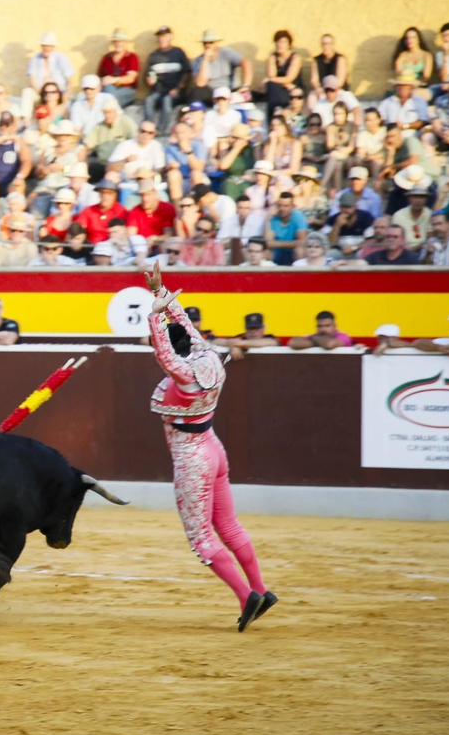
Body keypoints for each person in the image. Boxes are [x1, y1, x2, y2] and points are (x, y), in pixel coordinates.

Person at [142, 263, 274, 631]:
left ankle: (246, 596)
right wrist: (160, 293)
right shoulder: (208, 356)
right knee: (227, 524)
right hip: (213, 448)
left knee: (201, 538)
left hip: (191, 457)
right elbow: (184, 331)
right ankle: (261, 588)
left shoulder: (182, 373)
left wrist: (154, 318)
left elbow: (165, 354)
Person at [143, 26, 191, 132]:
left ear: (170, 37)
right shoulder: (153, 56)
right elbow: (148, 75)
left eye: (164, 36)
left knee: (167, 100)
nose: (161, 39)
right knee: (148, 100)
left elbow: (186, 73)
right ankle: (149, 128)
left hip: (176, 91)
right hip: (158, 91)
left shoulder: (178, 52)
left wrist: (178, 88)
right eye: (160, 36)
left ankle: (161, 130)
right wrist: (149, 80)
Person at [264, 30, 302, 124]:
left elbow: (289, 78)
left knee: (271, 83)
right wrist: (282, 82)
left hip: (294, 88)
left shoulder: (295, 57)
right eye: (278, 42)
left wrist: (271, 79)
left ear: (289, 44)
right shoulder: (273, 57)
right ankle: (273, 118)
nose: (279, 44)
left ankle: (274, 116)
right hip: (281, 88)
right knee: (271, 85)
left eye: (283, 42)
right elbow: (271, 75)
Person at [98, 29, 140, 108]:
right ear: (113, 43)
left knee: (109, 95)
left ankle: (109, 110)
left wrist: (113, 80)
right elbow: (100, 77)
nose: (118, 44)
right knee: (108, 92)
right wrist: (103, 81)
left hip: (127, 89)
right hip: (108, 90)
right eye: (116, 41)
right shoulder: (106, 58)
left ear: (125, 43)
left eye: (121, 41)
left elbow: (131, 78)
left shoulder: (131, 57)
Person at [392, 27, 435, 94]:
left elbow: (426, 76)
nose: (409, 40)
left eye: (413, 37)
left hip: (420, 87)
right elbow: (399, 73)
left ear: (418, 39)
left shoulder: (426, 55)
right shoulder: (401, 56)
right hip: (403, 87)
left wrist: (413, 82)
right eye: (407, 38)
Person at [289, 310, 354, 350]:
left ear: (334, 326)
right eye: (320, 326)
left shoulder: (343, 337)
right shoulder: (315, 337)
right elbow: (293, 343)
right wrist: (320, 342)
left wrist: (313, 341)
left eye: (327, 326)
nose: (323, 329)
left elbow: (329, 344)